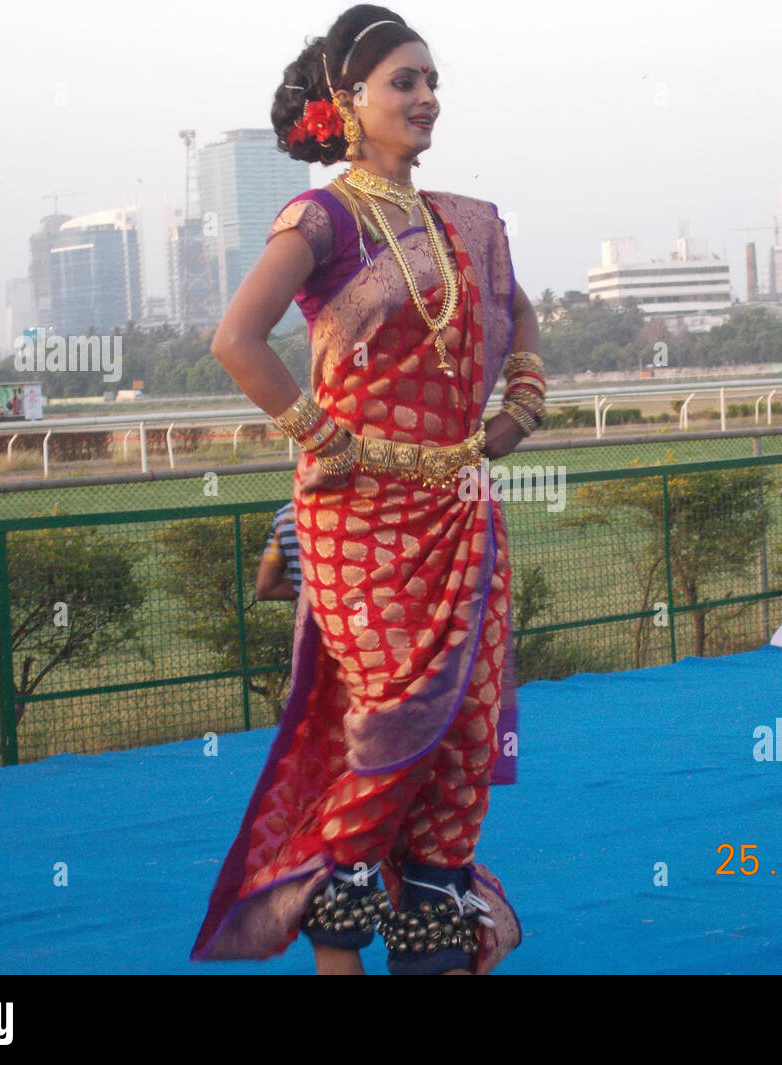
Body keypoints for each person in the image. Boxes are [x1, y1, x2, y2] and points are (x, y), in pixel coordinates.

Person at [191, 5, 544, 975]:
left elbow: (521, 319)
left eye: (432, 81)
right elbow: (236, 339)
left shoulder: (471, 223)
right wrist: (317, 432)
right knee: (394, 711)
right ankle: (336, 948)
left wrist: (524, 399)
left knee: (465, 725)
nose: (426, 98)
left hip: (463, 506)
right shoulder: (322, 218)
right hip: (358, 517)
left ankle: (430, 931)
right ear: (346, 102)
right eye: (404, 82)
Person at [255, 502, 302, 601]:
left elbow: (266, 588)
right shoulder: (342, 511)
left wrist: (305, 590)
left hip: (309, 614)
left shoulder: (285, 516)